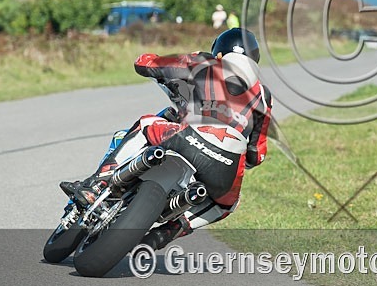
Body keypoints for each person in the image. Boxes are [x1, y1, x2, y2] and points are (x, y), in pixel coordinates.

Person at [60, 28, 272, 250]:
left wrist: (148, 60)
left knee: (146, 123)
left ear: (219, 52)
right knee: (228, 204)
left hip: (187, 137)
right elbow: (257, 155)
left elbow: (147, 64)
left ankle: (97, 184)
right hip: (225, 166)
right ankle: (166, 233)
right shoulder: (264, 96)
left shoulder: (205, 61)